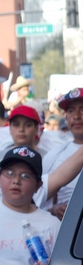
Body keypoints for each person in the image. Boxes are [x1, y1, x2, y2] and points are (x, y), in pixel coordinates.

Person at [40, 87, 83, 219]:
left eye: (82, 109)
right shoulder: (53, 156)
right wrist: (53, 209)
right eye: (71, 111)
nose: (77, 116)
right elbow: (40, 200)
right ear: (66, 117)